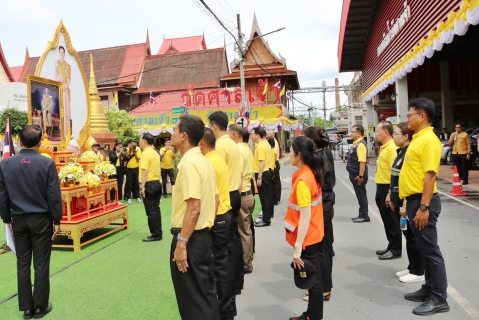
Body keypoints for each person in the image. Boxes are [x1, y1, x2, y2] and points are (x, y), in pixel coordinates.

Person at [0, 125, 62, 319]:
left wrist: (6, 218)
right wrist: (57, 219)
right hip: (41, 219)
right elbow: (53, 194)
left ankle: (27, 307)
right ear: (40, 142)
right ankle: (40, 306)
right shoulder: (46, 163)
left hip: (18, 219)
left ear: (19, 141)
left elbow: (2, 195)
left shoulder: (6, 164)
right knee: (41, 264)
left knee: (23, 264)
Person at [399, 98, 449, 315]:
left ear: (423, 116)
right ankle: (429, 288)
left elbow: (430, 176)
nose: (407, 118)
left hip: (423, 202)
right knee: (424, 249)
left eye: (410, 114)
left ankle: (439, 298)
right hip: (414, 201)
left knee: (430, 251)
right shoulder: (418, 139)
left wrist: (424, 207)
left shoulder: (429, 140)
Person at [170, 115, 220, 319]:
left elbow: (194, 208)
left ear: (183, 136)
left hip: (189, 238)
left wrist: (182, 244)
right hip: (201, 236)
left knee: (192, 301)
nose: (171, 134)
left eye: (174, 130)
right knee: (204, 296)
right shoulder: (204, 161)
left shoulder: (190, 164)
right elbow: (215, 201)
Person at [286, 136, 325, 320]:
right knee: (313, 279)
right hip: (314, 232)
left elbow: (305, 215)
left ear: (299, 155)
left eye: (291, 151)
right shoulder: (310, 173)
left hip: (307, 237)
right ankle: (311, 314)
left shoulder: (303, 180)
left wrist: (297, 247)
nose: (289, 154)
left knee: (313, 281)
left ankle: (314, 317)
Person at [199, 128, 236, 320]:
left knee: (219, 266)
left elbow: (212, 198)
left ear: (202, 143)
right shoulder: (217, 158)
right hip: (224, 214)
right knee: (222, 262)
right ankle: (227, 307)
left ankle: (225, 309)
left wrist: (209, 221)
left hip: (218, 216)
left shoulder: (209, 163)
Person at [208, 111, 244, 296]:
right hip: (234, 192)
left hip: (225, 195)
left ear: (214, 126)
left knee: (224, 248)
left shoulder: (220, 146)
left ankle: (228, 287)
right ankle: (237, 281)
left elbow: (218, 176)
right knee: (233, 240)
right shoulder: (231, 142)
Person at [386, 122, 424, 283]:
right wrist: (389, 194)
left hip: (407, 202)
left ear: (406, 136)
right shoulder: (400, 152)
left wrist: (405, 205)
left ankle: (418, 271)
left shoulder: (409, 152)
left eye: (396, 134)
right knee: (408, 236)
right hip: (397, 199)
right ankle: (412, 266)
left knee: (414, 237)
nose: (393, 137)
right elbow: (395, 177)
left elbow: (410, 180)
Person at [303, 126, 335, 302]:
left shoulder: (319, 160)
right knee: (325, 248)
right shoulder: (323, 155)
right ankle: (324, 284)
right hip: (325, 207)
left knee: (321, 250)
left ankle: (323, 288)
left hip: (322, 209)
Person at [374, 121, 402, 260]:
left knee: (391, 220)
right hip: (381, 187)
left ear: (386, 132)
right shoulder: (384, 148)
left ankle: (396, 250)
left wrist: (390, 193)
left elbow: (395, 172)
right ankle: (391, 245)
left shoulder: (391, 148)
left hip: (387, 187)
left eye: (378, 131)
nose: (376, 134)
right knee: (386, 220)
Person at [228, 124, 255, 274]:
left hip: (242, 194)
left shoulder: (237, 150)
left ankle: (245, 264)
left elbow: (238, 175)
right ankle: (247, 260)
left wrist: (235, 198)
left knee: (243, 232)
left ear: (233, 135)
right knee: (246, 230)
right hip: (247, 193)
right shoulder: (246, 148)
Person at [138, 133, 162, 242]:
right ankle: (158, 233)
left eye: (140, 140)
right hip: (157, 183)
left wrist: (142, 186)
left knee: (151, 211)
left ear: (144, 142)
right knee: (156, 209)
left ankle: (155, 234)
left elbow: (145, 171)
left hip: (149, 184)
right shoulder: (155, 153)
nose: (139, 142)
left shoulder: (145, 154)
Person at [251, 127, 274, 227]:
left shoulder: (260, 146)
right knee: (266, 196)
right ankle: (266, 217)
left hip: (262, 173)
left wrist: (259, 177)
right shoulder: (265, 144)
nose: (251, 135)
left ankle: (266, 220)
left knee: (264, 198)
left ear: (257, 135)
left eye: (252, 134)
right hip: (267, 172)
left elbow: (262, 162)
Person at [347, 125, 370, 222]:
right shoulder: (355, 144)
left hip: (358, 175)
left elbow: (362, 162)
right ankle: (362, 214)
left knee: (361, 195)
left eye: (353, 132)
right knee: (360, 195)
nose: (351, 133)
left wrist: (360, 176)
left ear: (359, 133)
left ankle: (364, 216)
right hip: (354, 174)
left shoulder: (360, 145)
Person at [55, 46, 71, 133]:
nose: (61, 54)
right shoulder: (56, 63)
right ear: (59, 53)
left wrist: (66, 86)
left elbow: (69, 79)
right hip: (59, 87)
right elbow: (56, 75)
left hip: (66, 88)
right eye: (60, 52)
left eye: (63, 52)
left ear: (64, 54)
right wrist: (60, 84)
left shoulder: (68, 66)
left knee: (67, 108)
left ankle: (68, 130)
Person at [124, 140, 142, 205]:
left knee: (136, 183)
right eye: (132, 145)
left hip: (136, 168)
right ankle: (128, 197)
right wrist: (130, 150)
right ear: (130, 144)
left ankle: (137, 196)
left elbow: (138, 159)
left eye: (134, 145)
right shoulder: (128, 149)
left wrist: (135, 153)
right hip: (129, 169)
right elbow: (126, 157)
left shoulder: (138, 149)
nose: (133, 146)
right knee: (129, 183)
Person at [267, 130, 281, 205]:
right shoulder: (272, 141)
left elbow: (273, 155)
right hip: (273, 163)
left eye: (268, 134)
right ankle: (276, 198)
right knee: (275, 182)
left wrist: (272, 168)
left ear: (272, 135)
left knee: (275, 182)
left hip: (274, 163)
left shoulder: (273, 142)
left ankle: (276, 198)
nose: (266, 136)